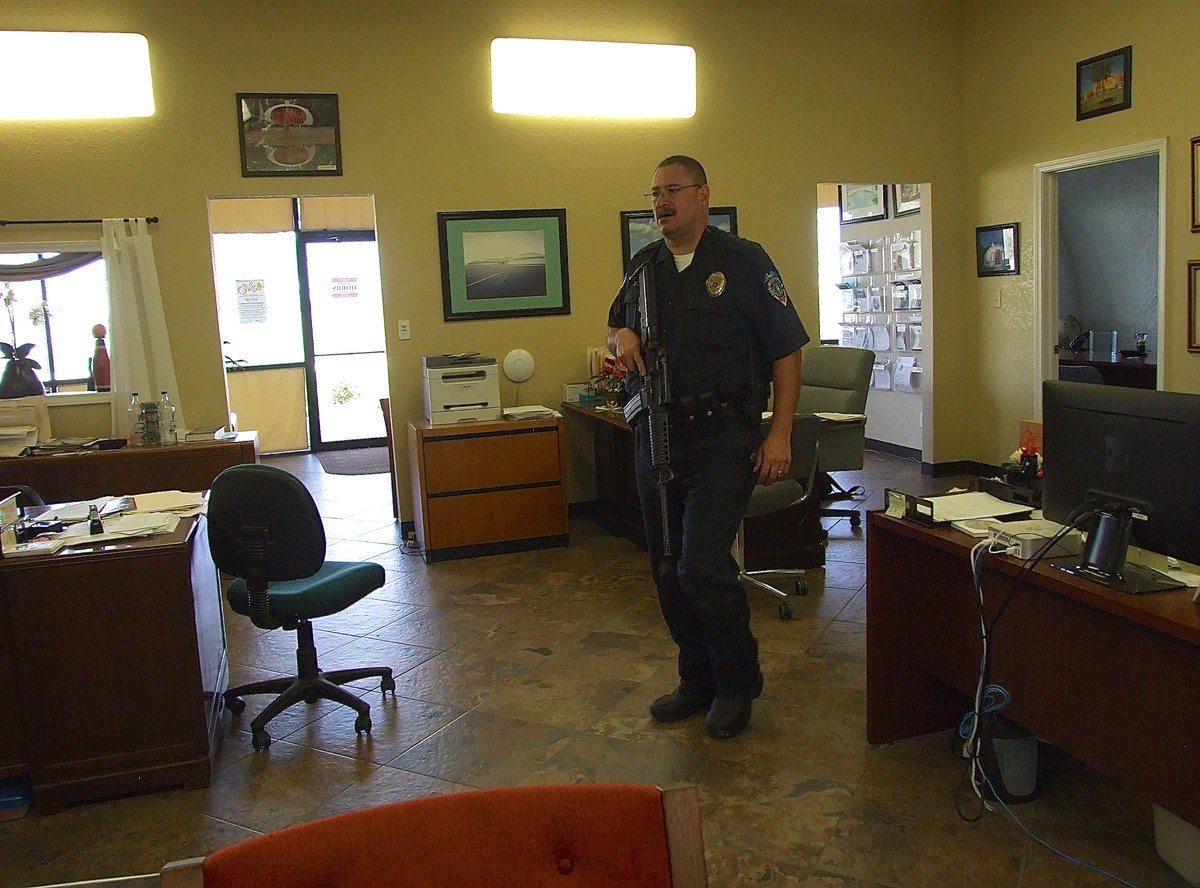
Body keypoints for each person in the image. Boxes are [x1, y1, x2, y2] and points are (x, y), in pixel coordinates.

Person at [606, 155, 809, 739]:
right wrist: (619, 334)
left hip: (723, 439)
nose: (661, 202)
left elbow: (786, 349)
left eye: (672, 190)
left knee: (701, 563)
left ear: (702, 194)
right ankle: (695, 680)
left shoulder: (744, 262)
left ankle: (737, 682)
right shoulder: (645, 267)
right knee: (667, 567)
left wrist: (781, 432)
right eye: (654, 193)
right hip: (657, 437)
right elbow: (616, 324)